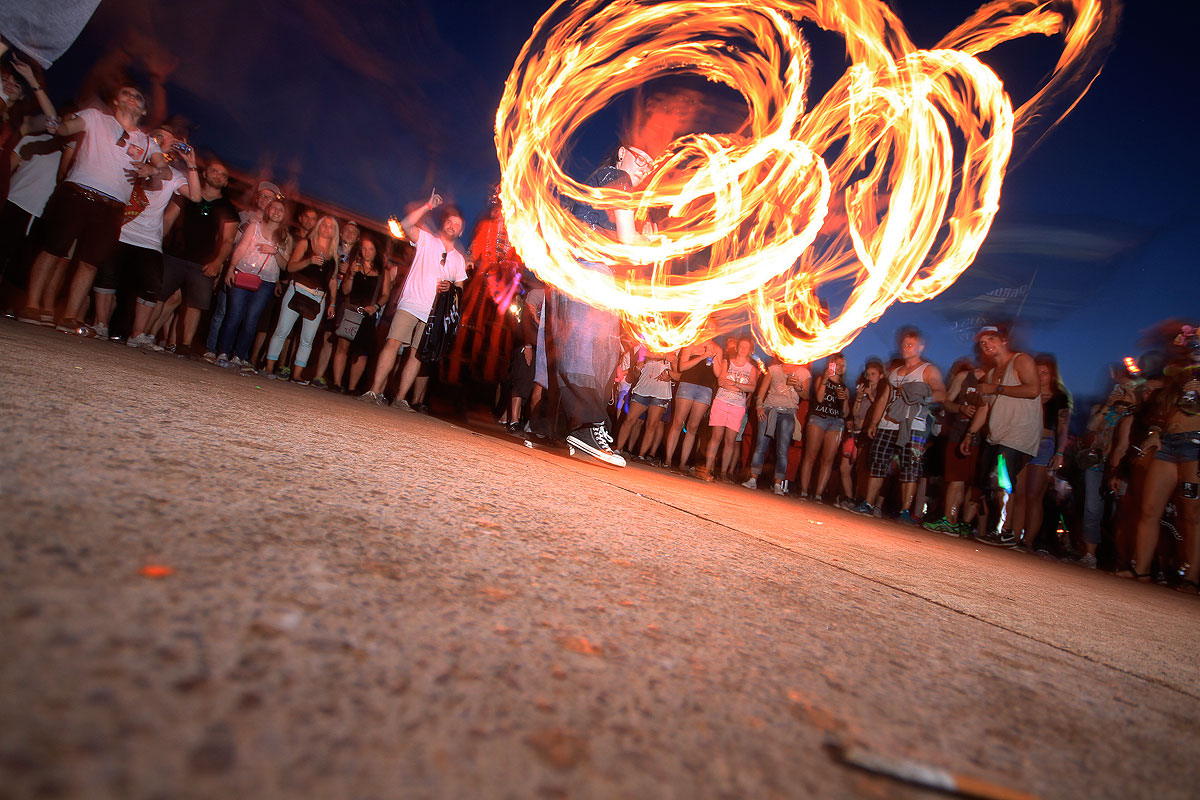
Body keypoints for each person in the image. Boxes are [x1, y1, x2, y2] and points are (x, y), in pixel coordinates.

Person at [533, 142, 657, 467]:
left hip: (590, 271)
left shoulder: (609, 186)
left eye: (650, 163)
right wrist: (658, 242)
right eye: (639, 156)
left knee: (602, 350)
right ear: (620, 153)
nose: (645, 165)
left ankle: (586, 429)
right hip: (585, 271)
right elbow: (629, 242)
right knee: (587, 348)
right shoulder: (618, 178)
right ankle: (588, 427)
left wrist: (641, 237)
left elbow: (620, 241)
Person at [20, 83, 169, 328]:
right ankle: (32, 304)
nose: (132, 97)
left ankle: (69, 315)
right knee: (53, 249)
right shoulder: (94, 117)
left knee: (90, 263)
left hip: (112, 207)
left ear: (143, 111)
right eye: (126, 93)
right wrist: (52, 117)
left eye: (138, 96)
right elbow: (65, 127)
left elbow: (163, 171)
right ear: (116, 101)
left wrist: (152, 168)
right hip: (77, 194)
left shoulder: (146, 141)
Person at [358, 195, 467, 410]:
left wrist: (451, 288)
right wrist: (428, 205)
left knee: (417, 354)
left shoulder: (459, 260)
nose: (452, 226)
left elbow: (460, 292)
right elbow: (406, 225)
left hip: (433, 314)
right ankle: (374, 391)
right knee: (393, 343)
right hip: (411, 302)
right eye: (449, 221)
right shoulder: (426, 240)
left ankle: (400, 399)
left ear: (461, 231)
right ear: (444, 223)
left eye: (457, 224)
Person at [100, 125, 201, 346]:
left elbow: (195, 196)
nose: (161, 140)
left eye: (168, 139)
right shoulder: (128, 156)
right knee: (106, 278)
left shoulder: (174, 176)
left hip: (149, 240)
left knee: (149, 288)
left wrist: (191, 164)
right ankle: (99, 325)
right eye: (158, 136)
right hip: (120, 230)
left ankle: (136, 335)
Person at [1121, 326, 1199, 590]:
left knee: (1191, 514)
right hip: (1167, 445)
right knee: (1150, 509)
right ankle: (1140, 569)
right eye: (1191, 345)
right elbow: (1162, 413)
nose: (1192, 349)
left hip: (1195, 447)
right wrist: (1154, 434)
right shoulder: (1178, 375)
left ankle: (1191, 577)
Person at [961, 325, 1042, 546]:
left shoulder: (1021, 360)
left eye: (992, 339)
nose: (987, 345)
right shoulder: (989, 374)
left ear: (1004, 340)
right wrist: (970, 433)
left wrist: (996, 389)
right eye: (983, 343)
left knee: (1002, 480)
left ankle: (1005, 532)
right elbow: (985, 408)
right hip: (996, 435)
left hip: (1018, 433)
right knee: (990, 484)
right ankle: (998, 529)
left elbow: (1033, 390)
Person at [147, 157, 238, 353]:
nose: (218, 176)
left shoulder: (228, 209)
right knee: (159, 296)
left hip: (203, 263)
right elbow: (169, 218)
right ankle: (145, 334)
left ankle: (185, 345)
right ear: (204, 174)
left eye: (223, 175)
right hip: (174, 255)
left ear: (226, 182)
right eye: (214, 171)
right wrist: (154, 245)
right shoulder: (187, 194)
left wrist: (218, 261)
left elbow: (228, 240)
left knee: (195, 304)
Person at [855, 329, 946, 522]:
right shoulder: (895, 373)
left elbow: (941, 393)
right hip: (889, 424)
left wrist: (923, 397)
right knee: (878, 464)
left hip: (914, 425)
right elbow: (883, 400)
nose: (906, 348)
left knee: (910, 467)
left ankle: (905, 511)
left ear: (920, 347)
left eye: (910, 344)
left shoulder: (927, 370)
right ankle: (868, 503)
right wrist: (874, 422)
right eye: (904, 345)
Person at [203, 180, 281, 360]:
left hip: (260, 276)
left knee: (249, 317)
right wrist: (247, 226)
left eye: (269, 198)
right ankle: (212, 349)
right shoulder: (244, 215)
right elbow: (229, 239)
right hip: (236, 267)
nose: (264, 200)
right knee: (225, 311)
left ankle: (239, 355)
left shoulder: (277, 225)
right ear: (256, 197)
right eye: (262, 195)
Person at [214, 197, 292, 368]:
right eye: (274, 208)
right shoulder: (254, 226)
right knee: (234, 315)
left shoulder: (286, 237)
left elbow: (286, 265)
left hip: (266, 282)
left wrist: (275, 251)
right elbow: (241, 247)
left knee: (251, 319)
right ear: (268, 210)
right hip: (243, 273)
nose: (277, 212)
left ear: (285, 215)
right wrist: (231, 268)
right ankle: (223, 352)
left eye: (281, 210)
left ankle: (239, 356)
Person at [264, 215, 339, 381]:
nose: (327, 228)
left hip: (318, 297)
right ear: (318, 227)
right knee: (282, 330)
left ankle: (297, 373)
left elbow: (332, 279)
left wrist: (332, 302)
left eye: (331, 226)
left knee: (307, 339)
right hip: (298, 289)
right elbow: (290, 266)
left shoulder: (334, 254)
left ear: (335, 232)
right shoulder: (306, 244)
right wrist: (309, 261)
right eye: (324, 225)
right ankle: (269, 367)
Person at [1009, 355, 1072, 551]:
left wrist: (1060, 451)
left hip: (1044, 443)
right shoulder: (1029, 393)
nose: (1040, 376)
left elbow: (1063, 428)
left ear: (1052, 375)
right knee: (1019, 493)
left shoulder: (1059, 397)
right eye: (1037, 372)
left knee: (1034, 495)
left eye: (1044, 372)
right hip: (1023, 442)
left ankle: (1028, 540)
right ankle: (1014, 536)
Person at [922, 358, 987, 536]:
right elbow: (946, 401)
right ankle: (949, 520)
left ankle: (965, 524)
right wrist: (961, 408)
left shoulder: (997, 379)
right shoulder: (965, 377)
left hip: (985, 439)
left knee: (975, 485)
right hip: (959, 434)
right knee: (955, 478)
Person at [330, 236, 389, 393]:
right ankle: (336, 383)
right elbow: (345, 290)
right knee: (343, 346)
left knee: (361, 352)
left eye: (370, 249)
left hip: (367, 314)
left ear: (376, 251)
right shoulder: (354, 266)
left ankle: (351, 387)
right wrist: (350, 274)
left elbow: (386, 295)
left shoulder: (383, 271)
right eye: (364, 248)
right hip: (351, 310)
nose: (367, 252)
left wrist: (375, 306)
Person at [743, 355, 808, 494]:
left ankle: (778, 483)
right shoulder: (773, 369)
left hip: (788, 413)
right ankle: (753, 479)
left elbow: (806, 395)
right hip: (768, 410)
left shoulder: (803, 372)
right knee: (760, 446)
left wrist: (798, 386)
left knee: (782, 450)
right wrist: (759, 406)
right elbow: (762, 390)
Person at [699, 336, 759, 481]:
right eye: (741, 346)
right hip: (721, 402)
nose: (743, 349)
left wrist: (736, 385)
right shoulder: (727, 362)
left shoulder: (752, 369)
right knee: (716, 437)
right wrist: (740, 388)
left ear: (750, 351)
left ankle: (724, 473)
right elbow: (721, 382)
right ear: (737, 348)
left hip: (738, 406)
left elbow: (752, 387)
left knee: (730, 441)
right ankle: (708, 468)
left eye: (747, 347)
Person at [797, 353, 850, 502]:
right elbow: (819, 399)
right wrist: (826, 380)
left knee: (828, 459)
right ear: (830, 365)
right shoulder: (822, 379)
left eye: (842, 366)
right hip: (818, 418)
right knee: (811, 455)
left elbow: (845, 413)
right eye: (836, 364)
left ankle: (818, 494)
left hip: (836, 422)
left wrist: (844, 400)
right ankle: (804, 491)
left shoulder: (844, 388)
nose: (839, 368)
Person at [837, 359, 883, 509]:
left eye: (873, 374)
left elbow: (880, 410)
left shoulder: (882, 394)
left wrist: (871, 397)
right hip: (854, 432)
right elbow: (855, 412)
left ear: (881, 376)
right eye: (868, 374)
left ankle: (862, 500)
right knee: (845, 467)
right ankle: (850, 497)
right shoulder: (863, 390)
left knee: (863, 469)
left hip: (867, 434)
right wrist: (858, 397)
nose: (870, 377)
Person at [614, 349, 674, 460]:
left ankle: (641, 456)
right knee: (629, 419)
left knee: (651, 425)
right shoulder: (650, 345)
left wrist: (670, 375)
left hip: (660, 393)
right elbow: (642, 357)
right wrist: (663, 356)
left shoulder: (674, 348)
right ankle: (618, 449)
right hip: (642, 389)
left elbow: (679, 374)